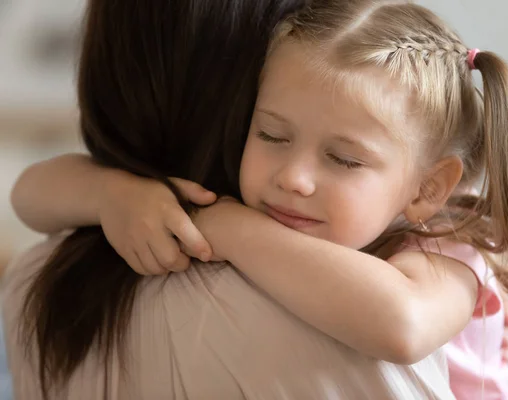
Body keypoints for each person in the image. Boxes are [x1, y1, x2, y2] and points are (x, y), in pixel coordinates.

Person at [1, 0, 458, 399]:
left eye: (343, 159)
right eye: (272, 134)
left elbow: (404, 324)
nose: (296, 179)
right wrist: (110, 191)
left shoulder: (450, 248)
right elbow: (25, 194)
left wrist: (224, 223)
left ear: (427, 190)